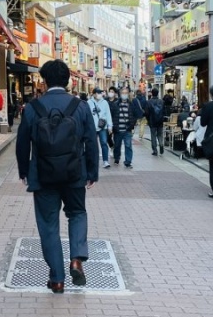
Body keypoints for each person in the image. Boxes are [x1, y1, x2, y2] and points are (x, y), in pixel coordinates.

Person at [16, 60, 99, 294]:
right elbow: (91, 142)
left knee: (48, 225)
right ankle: (76, 259)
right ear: (69, 80)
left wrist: (24, 171)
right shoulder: (80, 107)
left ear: (44, 81)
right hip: (74, 175)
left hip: (43, 176)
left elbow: (23, 143)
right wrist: (91, 172)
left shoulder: (33, 108)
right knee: (77, 213)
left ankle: (57, 278)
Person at [88, 87, 113, 168]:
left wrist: (110, 126)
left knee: (104, 143)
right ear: (94, 94)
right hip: (92, 127)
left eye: (100, 93)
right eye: (98, 93)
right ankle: (92, 161)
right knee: (93, 145)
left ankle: (105, 161)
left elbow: (108, 115)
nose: (99, 95)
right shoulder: (89, 102)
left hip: (103, 127)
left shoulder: (105, 102)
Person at [112, 86, 137, 168]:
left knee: (128, 145)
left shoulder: (131, 104)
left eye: (126, 93)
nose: (124, 94)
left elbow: (134, 116)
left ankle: (128, 161)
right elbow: (112, 116)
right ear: (120, 94)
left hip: (127, 129)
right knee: (117, 145)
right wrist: (114, 127)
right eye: (123, 93)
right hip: (118, 129)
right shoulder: (115, 104)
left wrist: (132, 125)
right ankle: (117, 158)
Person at [146, 87, 165, 156]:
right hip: (160, 121)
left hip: (152, 121)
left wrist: (148, 120)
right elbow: (164, 112)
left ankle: (155, 150)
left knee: (153, 136)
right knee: (160, 134)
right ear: (157, 93)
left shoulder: (149, 102)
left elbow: (147, 113)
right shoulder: (162, 102)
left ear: (152, 93)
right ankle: (161, 144)